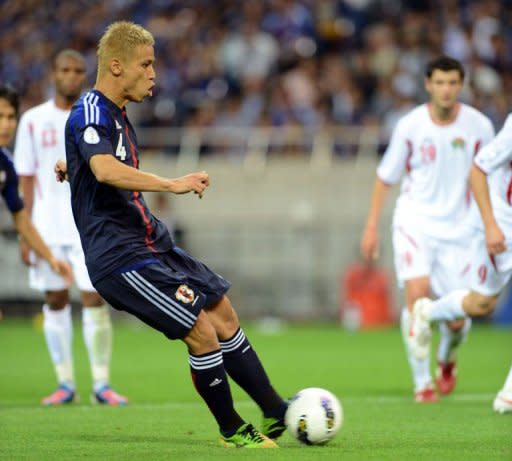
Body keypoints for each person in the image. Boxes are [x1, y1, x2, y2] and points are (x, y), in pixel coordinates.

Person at [57, 21, 287, 448]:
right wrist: (171, 183)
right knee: (200, 329)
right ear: (116, 66)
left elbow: (95, 161)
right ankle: (233, 429)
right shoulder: (89, 110)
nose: (153, 74)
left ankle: (277, 410)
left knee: (222, 313)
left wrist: (70, 165)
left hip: (151, 241)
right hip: (121, 257)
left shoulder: (115, 115)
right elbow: (104, 168)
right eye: (145, 65)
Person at [360, 56, 495, 403]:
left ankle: (446, 359)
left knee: (457, 320)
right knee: (417, 294)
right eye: (440, 82)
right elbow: (385, 176)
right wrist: (372, 225)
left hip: (463, 231)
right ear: (428, 85)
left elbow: (494, 177)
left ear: (460, 86)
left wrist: (492, 223)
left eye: (452, 83)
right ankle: (422, 383)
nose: (446, 89)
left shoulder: (479, 127)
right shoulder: (410, 126)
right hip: (415, 221)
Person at [13, 50, 127, 406]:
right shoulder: (33, 120)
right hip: (47, 226)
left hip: (87, 225)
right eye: (65, 70)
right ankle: (65, 383)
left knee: (94, 297)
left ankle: (101, 383)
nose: (72, 76)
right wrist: (25, 230)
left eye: (79, 70)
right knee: (55, 299)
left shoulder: (90, 117)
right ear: (53, 74)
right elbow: (26, 178)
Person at [409, 113, 512, 414]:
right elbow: (478, 170)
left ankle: (508, 394)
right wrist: (491, 224)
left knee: (482, 304)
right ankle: (428, 311)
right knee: (481, 303)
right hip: (503, 225)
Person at [0, 84, 72, 288]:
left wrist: (51, 259)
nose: (6, 124)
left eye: (10, 117)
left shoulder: (6, 166)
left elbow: (22, 221)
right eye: (0, 116)